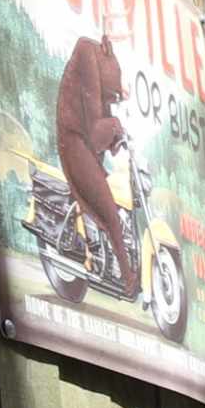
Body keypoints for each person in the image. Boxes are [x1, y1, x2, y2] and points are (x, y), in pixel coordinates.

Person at [52, 31, 130, 289]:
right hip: (73, 141)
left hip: (84, 142)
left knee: (114, 204)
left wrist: (117, 137)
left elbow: (102, 135)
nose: (118, 91)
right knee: (108, 209)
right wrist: (115, 127)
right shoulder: (88, 54)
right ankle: (128, 278)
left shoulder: (98, 65)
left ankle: (112, 261)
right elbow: (96, 134)